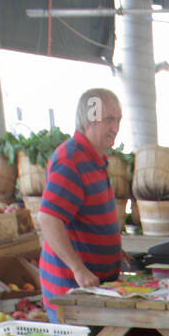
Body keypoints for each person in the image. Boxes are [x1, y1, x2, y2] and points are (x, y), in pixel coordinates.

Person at [38, 89, 123, 321]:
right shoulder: (71, 161)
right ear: (89, 120)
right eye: (108, 120)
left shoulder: (96, 158)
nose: (115, 127)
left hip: (94, 289)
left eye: (118, 119)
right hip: (71, 292)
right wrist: (78, 269)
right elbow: (48, 219)